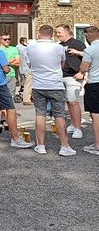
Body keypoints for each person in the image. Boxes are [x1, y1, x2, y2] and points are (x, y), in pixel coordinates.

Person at [26, 25, 76, 156]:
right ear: (52, 35)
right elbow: (62, 65)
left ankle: (41, 145)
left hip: (38, 85)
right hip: (55, 84)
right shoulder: (59, 47)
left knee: (40, 115)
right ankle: (64, 146)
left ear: (39, 33)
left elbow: (30, 64)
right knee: (59, 115)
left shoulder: (30, 47)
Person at [56, 24, 86, 138]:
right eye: (57, 33)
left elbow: (87, 58)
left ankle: (78, 128)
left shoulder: (77, 43)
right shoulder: (59, 46)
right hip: (62, 76)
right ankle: (73, 124)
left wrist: (81, 73)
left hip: (74, 76)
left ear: (67, 32)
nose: (58, 35)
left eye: (60, 32)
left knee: (73, 102)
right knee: (68, 102)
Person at [75, 26, 99, 155]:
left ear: (88, 36)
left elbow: (83, 67)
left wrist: (80, 72)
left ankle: (97, 144)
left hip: (95, 84)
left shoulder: (90, 50)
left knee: (95, 115)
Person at [0, 33, 20, 102]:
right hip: (1, 75)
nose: (7, 41)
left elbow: (18, 62)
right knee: (2, 97)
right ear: (0, 40)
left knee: (11, 97)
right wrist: (12, 60)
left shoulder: (14, 49)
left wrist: (7, 62)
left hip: (12, 75)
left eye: (9, 39)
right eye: (5, 39)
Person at [16, 37, 33, 105]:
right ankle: (26, 99)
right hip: (28, 69)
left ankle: (27, 97)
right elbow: (28, 60)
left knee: (25, 83)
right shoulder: (25, 49)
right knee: (28, 84)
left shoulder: (18, 47)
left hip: (22, 68)